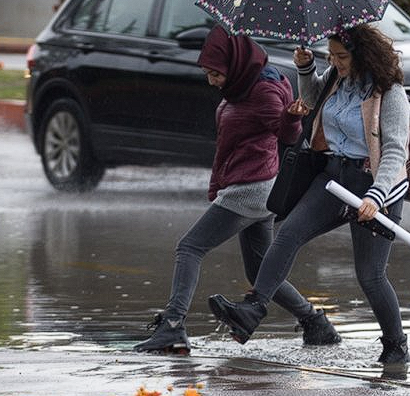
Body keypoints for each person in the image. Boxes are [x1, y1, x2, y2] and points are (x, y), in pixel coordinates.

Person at [208, 22, 410, 367]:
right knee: (287, 233)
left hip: (375, 186)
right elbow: (312, 100)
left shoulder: (388, 93)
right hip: (333, 177)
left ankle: (396, 345)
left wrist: (377, 196)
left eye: (342, 56)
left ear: (363, 55)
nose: (336, 62)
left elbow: (394, 151)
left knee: (371, 275)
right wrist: (306, 68)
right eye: (331, 55)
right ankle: (252, 310)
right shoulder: (336, 77)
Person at [134, 25, 340, 354]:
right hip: (253, 186)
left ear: (235, 65)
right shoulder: (239, 87)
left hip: (251, 188)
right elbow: (230, 144)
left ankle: (173, 326)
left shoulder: (264, 89)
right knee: (259, 269)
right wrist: (217, 184)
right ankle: (316, 324)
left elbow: (286, 134)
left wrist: (290, 118)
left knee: (189, 248)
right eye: (207, 73)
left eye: (216, 73)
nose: (212, 81)